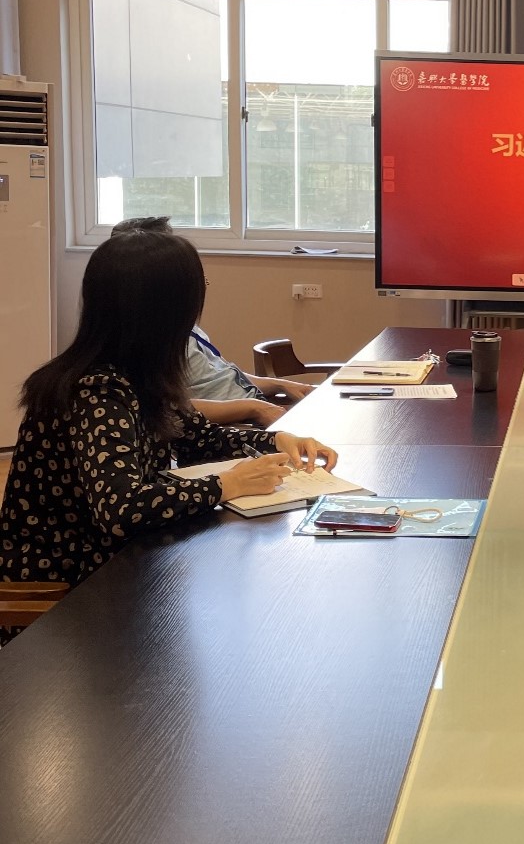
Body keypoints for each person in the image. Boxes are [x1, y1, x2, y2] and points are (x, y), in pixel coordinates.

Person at [0, 229, 337, 594]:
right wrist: (228, 484)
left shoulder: (139, 373)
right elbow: (121, 509)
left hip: (123, 564)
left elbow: (201, 439)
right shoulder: (96, 389)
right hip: (70, 585)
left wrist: (278, 441)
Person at [110, 217, 317, 405]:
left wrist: (279, 385)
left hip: (254, 405)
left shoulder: (186, 329)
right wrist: (254, 409)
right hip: (235, 423)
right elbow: (174, 412)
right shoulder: (149, 345)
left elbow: (220, 377)